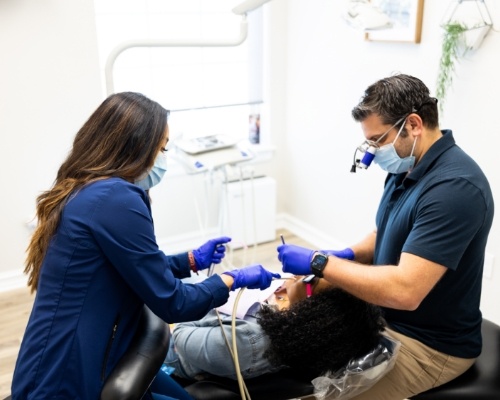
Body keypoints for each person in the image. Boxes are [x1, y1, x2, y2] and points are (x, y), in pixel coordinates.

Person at [11, 92, 279, 400]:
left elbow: (128, 264)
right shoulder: (114, 199)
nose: (164, 158)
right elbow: (175, 303)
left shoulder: (91, 190)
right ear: (136, 147)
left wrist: (189, 260)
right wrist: (231, 279)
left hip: (103, 351)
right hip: (67, 376)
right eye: (162, 148)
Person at [277, 74, 494, 399]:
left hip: (427, 344)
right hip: (384, 313)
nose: (374, 151)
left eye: (379, 140)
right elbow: (387, 231)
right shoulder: (405, 167)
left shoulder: (455, 189)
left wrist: (320, 262)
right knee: (297, 302)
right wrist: (345, 255)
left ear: (414, 125)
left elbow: (405, 291)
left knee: (326, 394)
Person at [165, 275, 385, 381]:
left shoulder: (250, 342)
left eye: (309, 278)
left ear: (313, 308)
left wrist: (208, 296)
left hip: (171, 356)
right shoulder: (298, 334)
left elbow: (181, 337)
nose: (299, 274)